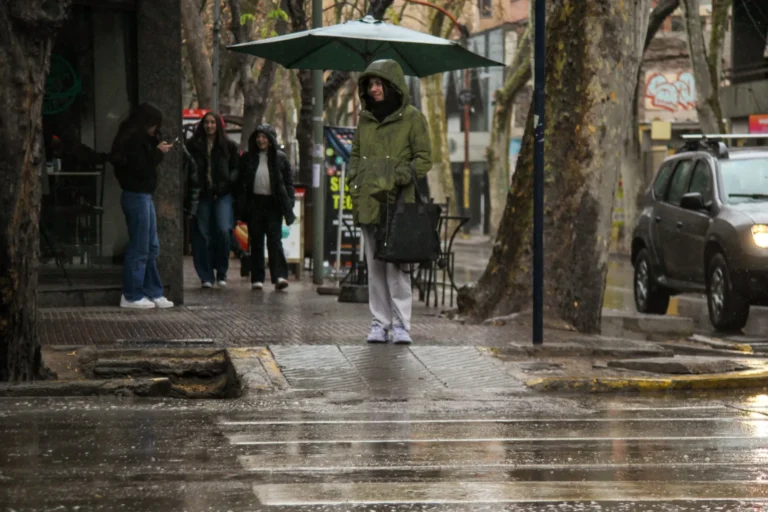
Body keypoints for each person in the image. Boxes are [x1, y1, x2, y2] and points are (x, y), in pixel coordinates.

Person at [348, 60, 432, 345]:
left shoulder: (413, 118)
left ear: (392, 85)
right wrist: (354, 183)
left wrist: (400, 175)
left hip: (398, 203)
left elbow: (424, 159)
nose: (374, 89)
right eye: (370, 85)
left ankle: (401, 324)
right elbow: (355, 156)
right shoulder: (365, 119)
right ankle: (379, 322)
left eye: (379, 84)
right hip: (369, 201)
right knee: (374, 267)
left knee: (397, 267)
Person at [110, 102, 175, 309]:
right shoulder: (132, 142)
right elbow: (140, 167)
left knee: (150, 245)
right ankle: (132, 294)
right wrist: (157, 152)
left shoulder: (137, 139)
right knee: (140, 247)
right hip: (136, 195)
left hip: (143, 196)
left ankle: (151, 290)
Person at [237, 124, 296, 291]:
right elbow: (241, 182)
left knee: (274, 240)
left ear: (270, 140)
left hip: (273, 204)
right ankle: (257, 278)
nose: (260, 140)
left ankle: (279, 276)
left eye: (264, 137)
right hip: (255, 204)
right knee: (256, 241)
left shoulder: (280, 158)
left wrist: (289, 202)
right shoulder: (248, 158)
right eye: (258, 136)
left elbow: (288, 183)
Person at [186, 113, 239, 288]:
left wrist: (227, 184)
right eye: (206, 123)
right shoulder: (193, 146)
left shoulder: (229, 146)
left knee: (224, 230)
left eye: (212, 122)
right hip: (202, 194)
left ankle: (221, 271)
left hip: (222, 194)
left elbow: (236, 169)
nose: (209, 126)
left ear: (218, 125)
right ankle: (206, 275)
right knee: (201, 235)